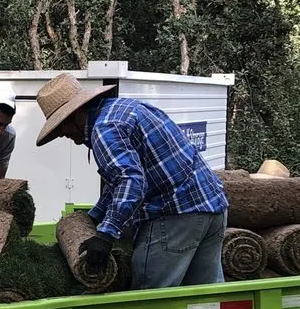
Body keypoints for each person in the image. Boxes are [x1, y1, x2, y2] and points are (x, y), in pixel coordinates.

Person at [34, 72, 228, 289]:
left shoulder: (104, 129)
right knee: (206, 298)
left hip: (175, 214)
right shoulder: (124, 109)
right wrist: (94, 217)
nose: (63, 134)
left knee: (151, 298)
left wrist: (106, 235)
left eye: (62, 126)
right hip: (213, 207)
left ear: (76, 113)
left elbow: (131, 181)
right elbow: (119, 181)